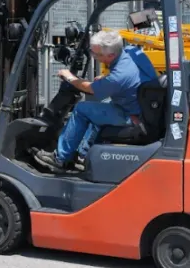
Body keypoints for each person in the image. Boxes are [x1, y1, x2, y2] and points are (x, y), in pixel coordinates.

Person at [33, 30, 159, 172]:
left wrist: (69, 77)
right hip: (141, 108)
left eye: (96, 55)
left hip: (132, 116)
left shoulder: (119, 77)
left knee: (81, 109)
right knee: (100, 107)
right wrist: (106, 80)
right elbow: (128, 78)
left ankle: (60, 159)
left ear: (111, 55)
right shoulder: (131, 52)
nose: (94, 57)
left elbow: (90, 89)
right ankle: (83, 155)